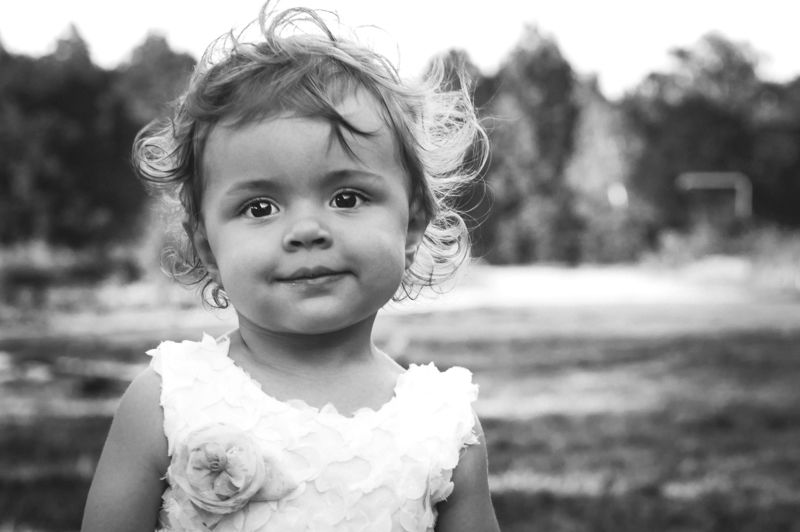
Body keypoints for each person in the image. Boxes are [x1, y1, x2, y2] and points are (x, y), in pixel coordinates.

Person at [81, 2, 498, 531]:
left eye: (346, 198)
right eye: (260, 208)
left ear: (412, 224)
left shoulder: (443, 427)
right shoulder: (167, 402)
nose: (306, 230)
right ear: (206, 246)